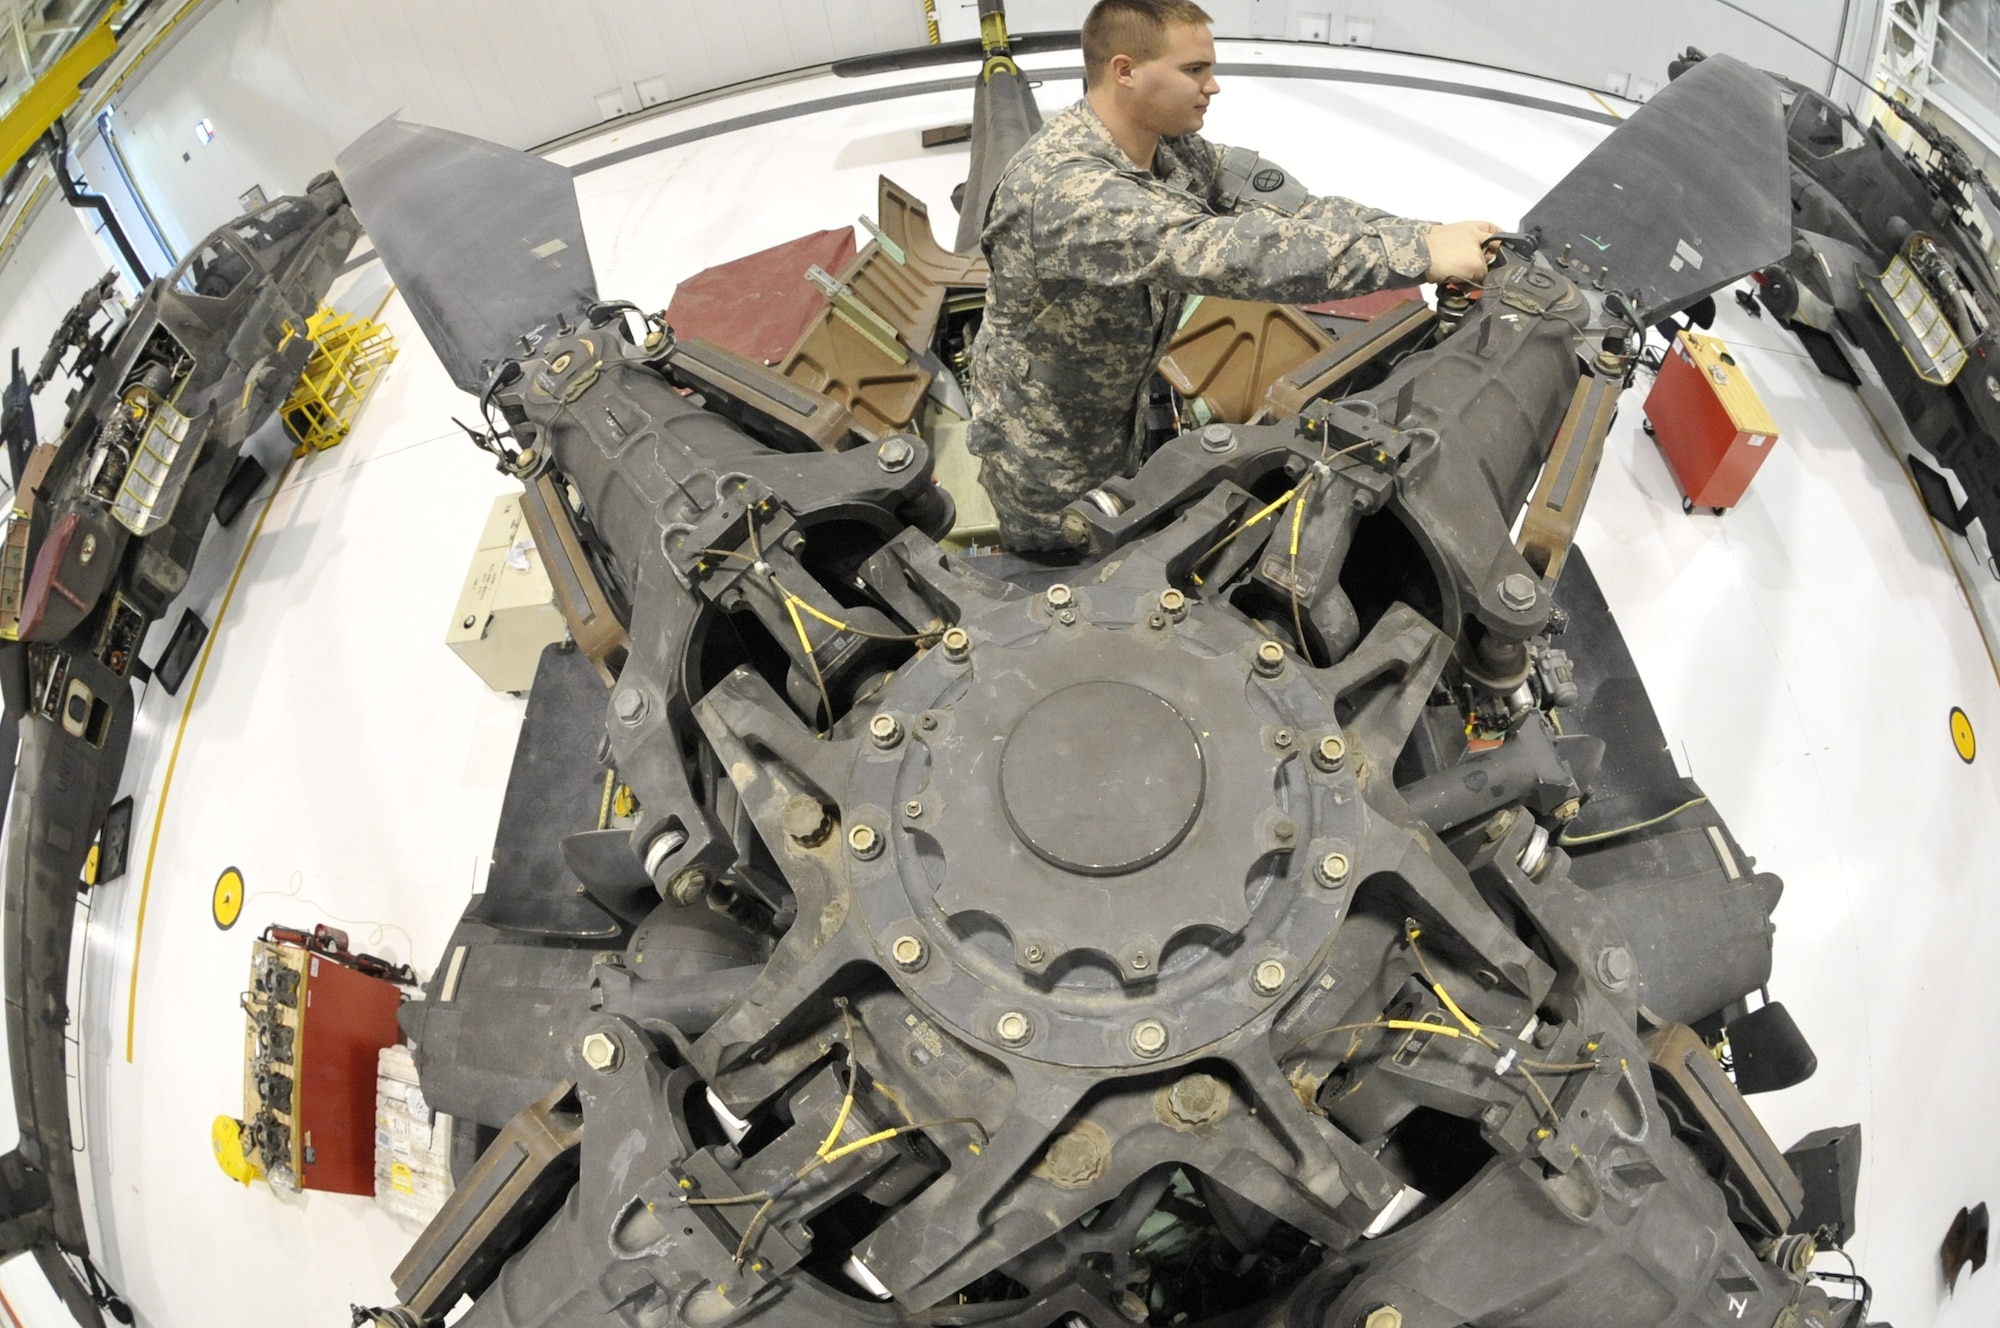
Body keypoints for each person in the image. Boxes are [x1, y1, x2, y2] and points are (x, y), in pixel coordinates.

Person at [966, 0, 1501, 550]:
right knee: (1063, 568)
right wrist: (1413, 255)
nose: (1212, 86)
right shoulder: (1068, 192)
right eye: (1194, 70)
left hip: (1114, 408)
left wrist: (1427, 233)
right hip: (1049, 448)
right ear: (1124, 70)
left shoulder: (1165, 146)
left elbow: (1292, 212)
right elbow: (1235, 254)